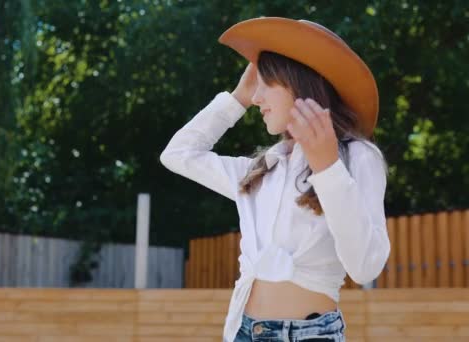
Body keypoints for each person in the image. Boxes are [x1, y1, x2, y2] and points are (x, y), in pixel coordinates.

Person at [160, 17, 390, 342]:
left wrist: (326, 167)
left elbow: (365, 267)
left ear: (300, 84)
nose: (256, 98)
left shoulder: (358, 157)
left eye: (266, 84)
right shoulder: (259, 172)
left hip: (311, 334)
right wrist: (236, 98)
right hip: (243, 331)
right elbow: (178, 154)